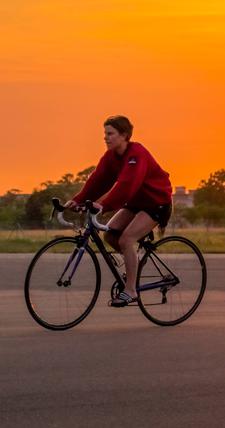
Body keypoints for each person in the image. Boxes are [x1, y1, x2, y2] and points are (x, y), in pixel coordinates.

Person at [66, 115, 173, 307]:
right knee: (110, 235)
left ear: (124, 135)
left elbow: (127, 186)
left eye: (110, 134)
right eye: (104, 134)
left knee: (126, 240)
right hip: (135, 203)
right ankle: (134, 264)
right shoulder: (110, 157)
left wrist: (104, 206)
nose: (105, 138)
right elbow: (97, 181)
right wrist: (76, 200)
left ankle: (131, 290)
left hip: (156, 203)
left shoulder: (136, 154)